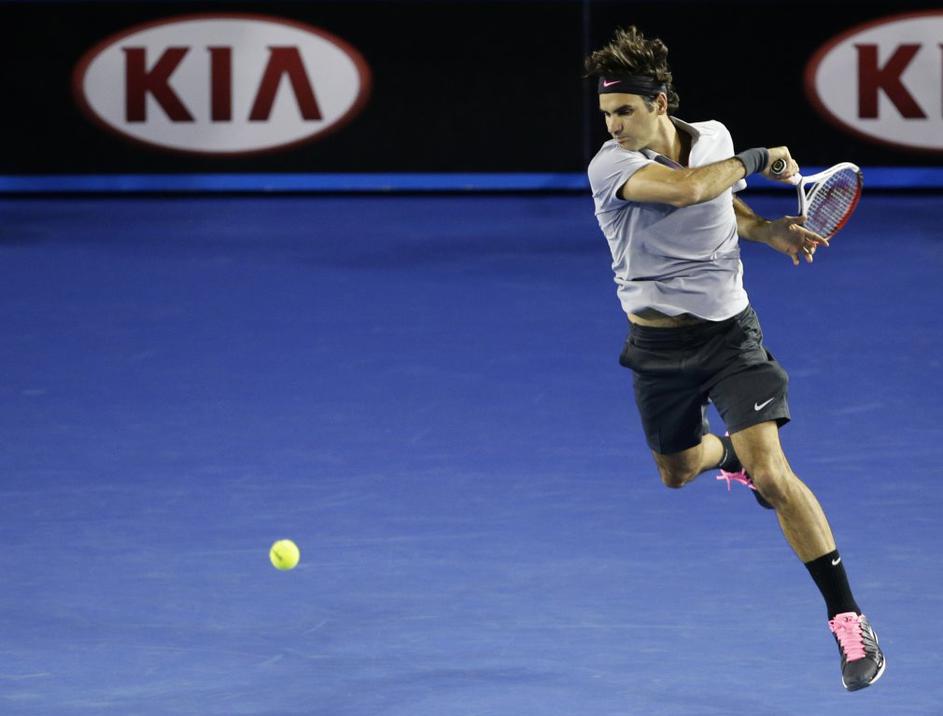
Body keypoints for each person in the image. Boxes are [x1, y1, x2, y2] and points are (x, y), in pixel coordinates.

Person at [584, 25, 885, 691]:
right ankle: (729, 459)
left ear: (660, 103)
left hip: (730, 336)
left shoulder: (713, 138)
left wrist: (765, 229)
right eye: (606, 114)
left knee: (774, 475)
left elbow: (721, 201)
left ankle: (848, 621)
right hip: (656, 346)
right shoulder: (610, 166)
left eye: (624, 111)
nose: (613, 126)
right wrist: (757, 156)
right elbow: (689, 190)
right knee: (676, 471)